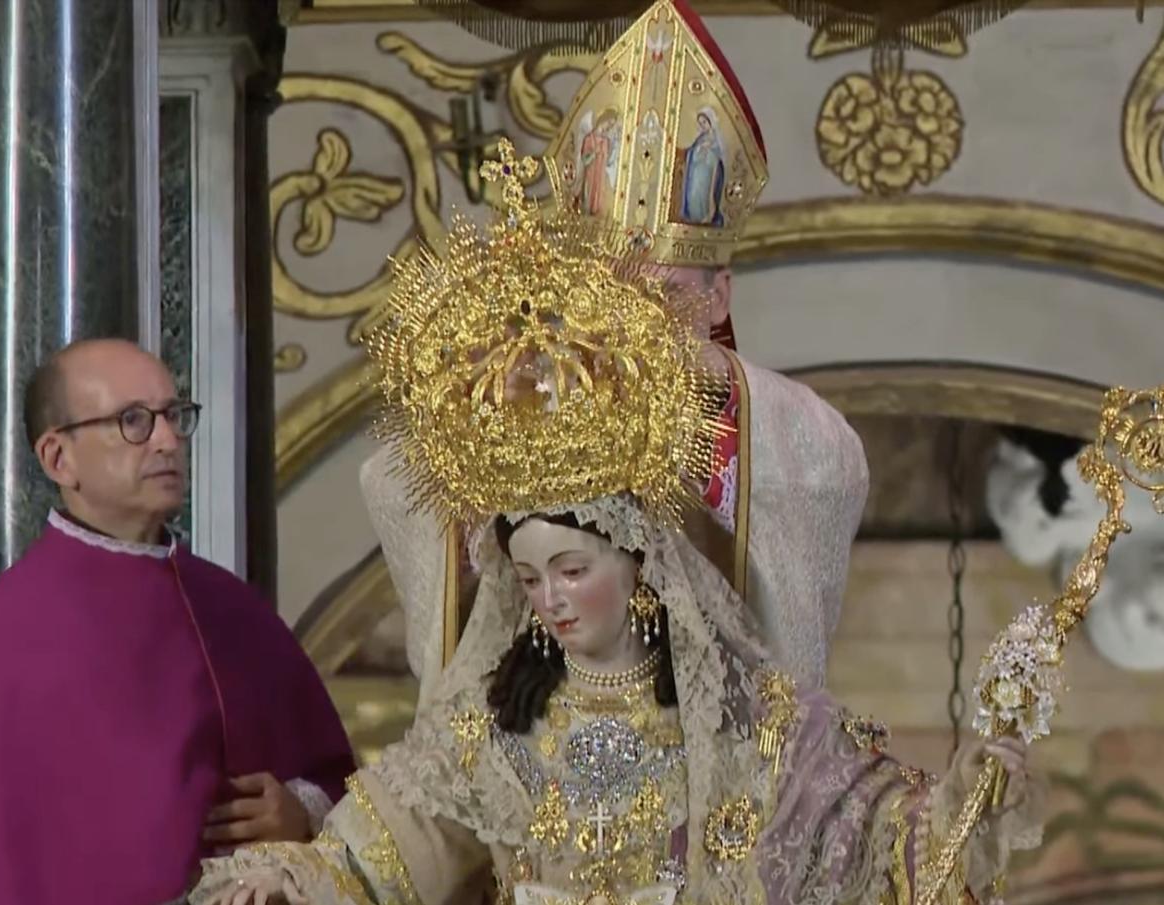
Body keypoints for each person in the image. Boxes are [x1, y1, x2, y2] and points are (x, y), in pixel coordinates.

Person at [189, 140, 1040, 905]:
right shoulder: (493, 725)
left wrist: (964, 803)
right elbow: (380, 854)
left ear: (640, 564)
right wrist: (291, 878)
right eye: (529, 578)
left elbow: (879, 837)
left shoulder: (746, 718)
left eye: (572, 569)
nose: (551, 600)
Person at [362, 0, 867, 705]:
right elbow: (398, 479)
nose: (635, 325)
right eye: (611, 297)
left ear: (719, 295)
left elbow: (817, 490)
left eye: (662, 298)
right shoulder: (534, 395)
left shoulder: (779, 430)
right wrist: (478, 411)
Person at [0, 339, 355, 905]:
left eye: (174, 416)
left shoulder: (232, 609)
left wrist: (300, 811)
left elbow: (335, 781)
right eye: (134, 421)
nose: (168, 440)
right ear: (59, 459)